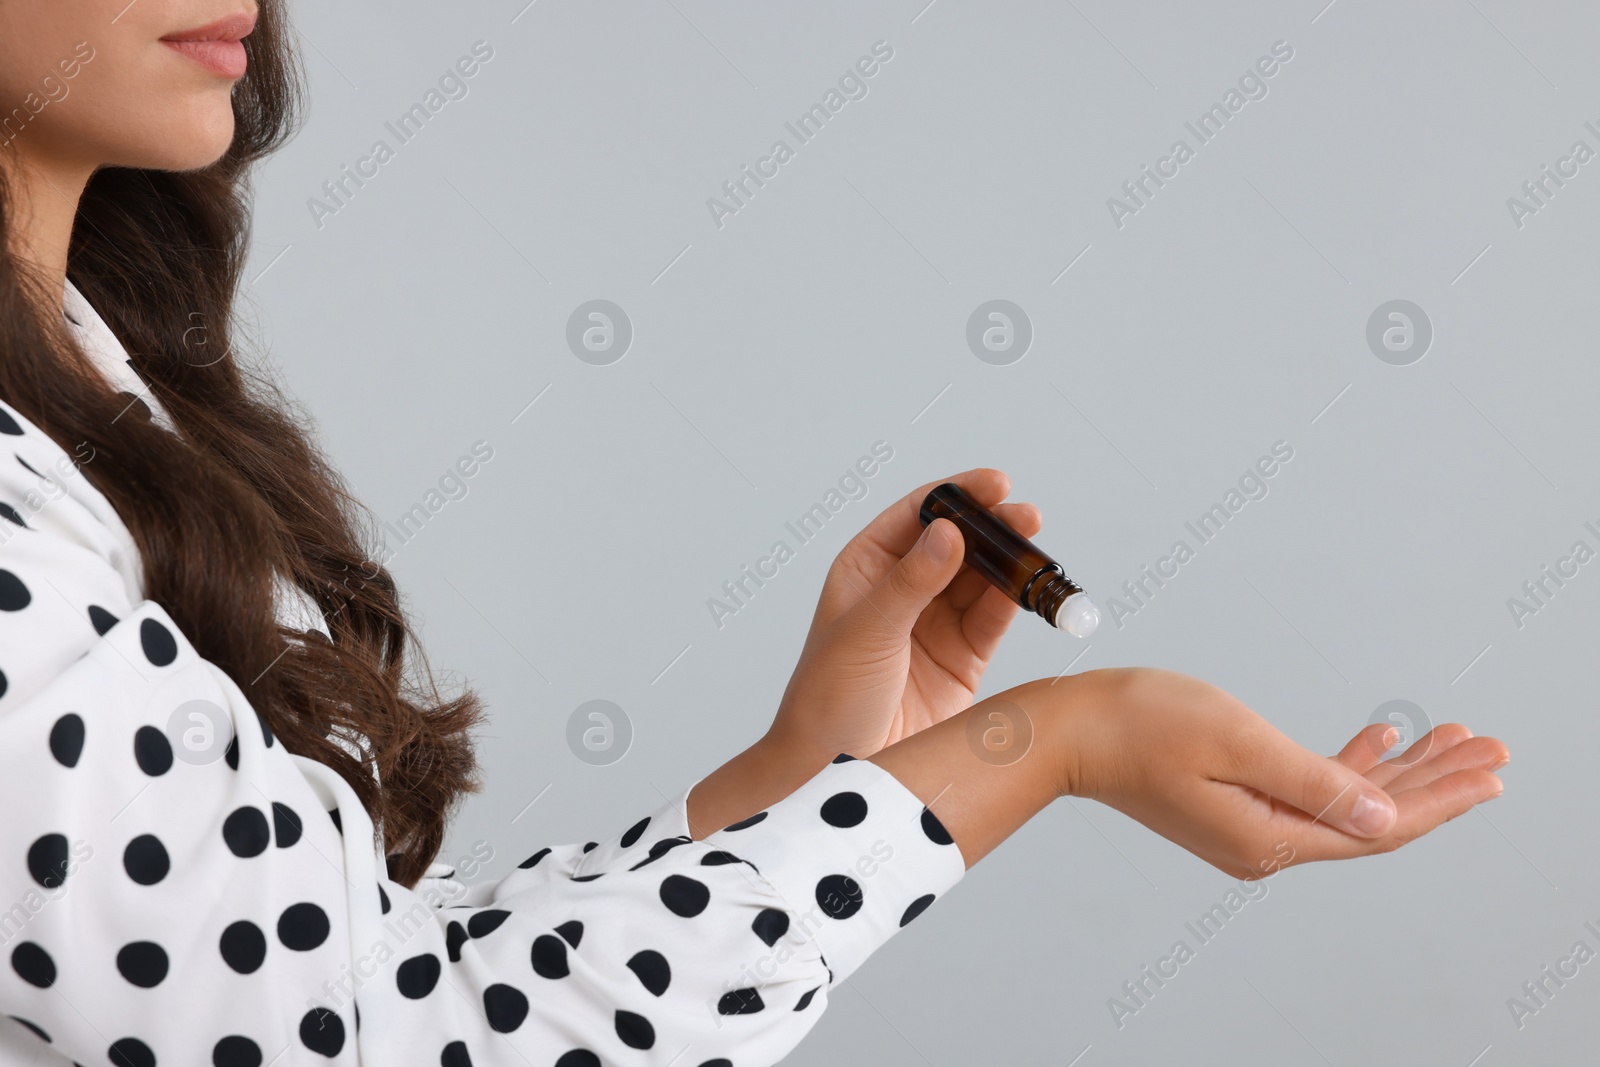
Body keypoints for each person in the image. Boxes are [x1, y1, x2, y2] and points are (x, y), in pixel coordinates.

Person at [0, 3, 1509, 1065]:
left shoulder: (90, 378)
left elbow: (354, 963)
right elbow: (388, 1043)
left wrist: (804, 783)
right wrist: (1047, 744)